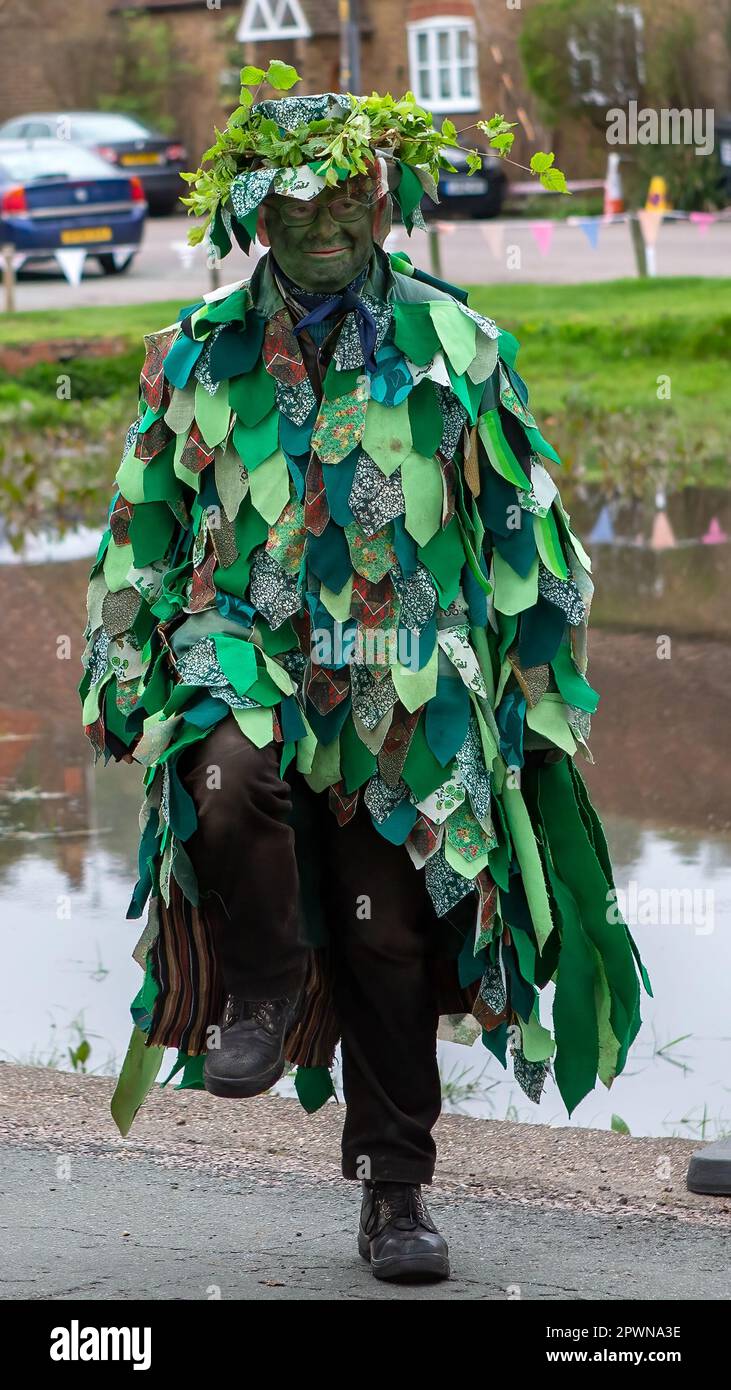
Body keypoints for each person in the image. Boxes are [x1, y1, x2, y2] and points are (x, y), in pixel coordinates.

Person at [79, 86, 650, 1283]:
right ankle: (260, 983)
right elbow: (143, 526)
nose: (324, 229)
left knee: (386, 933)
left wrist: (537, 696)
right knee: (224, 779)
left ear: (383, 202)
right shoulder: (193, 356)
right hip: (243, 654)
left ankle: (395, 1190)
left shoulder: (460, 350)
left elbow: (525, 534)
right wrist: (120, 674)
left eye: (346, 202)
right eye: (295, 208)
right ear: (253, 216)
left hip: (407, 687)